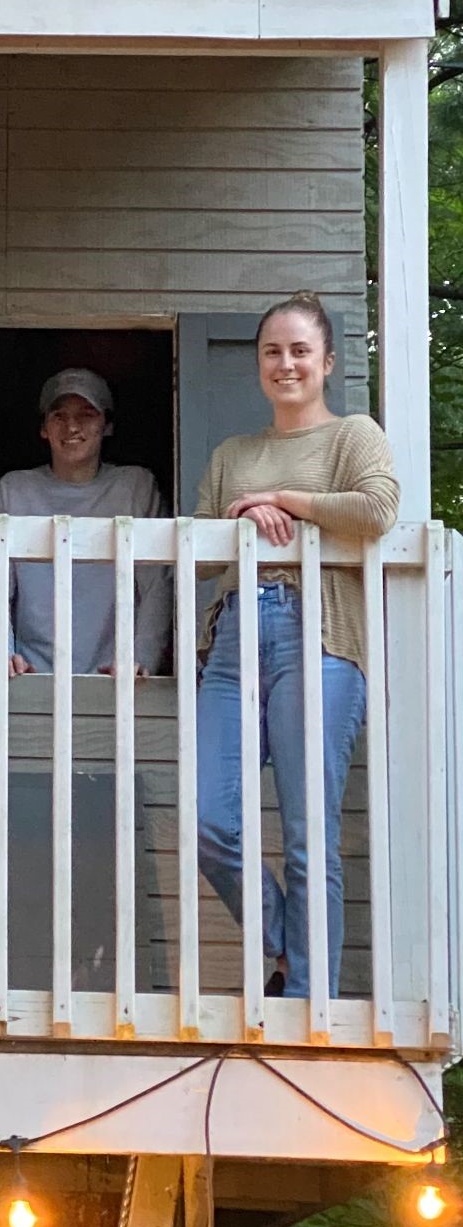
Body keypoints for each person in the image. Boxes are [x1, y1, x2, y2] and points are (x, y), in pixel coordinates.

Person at [195, 292, 398, 1000]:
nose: (286, 364)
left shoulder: (352, 437)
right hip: (233, 640)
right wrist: (236, 516)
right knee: (210, 820)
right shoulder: (231, 454)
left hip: (316, 634)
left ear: (327, 363)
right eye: (273, 352)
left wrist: (284, 499)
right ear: (258, 364)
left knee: (309, 833)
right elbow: (196, 550)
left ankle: (309, 998)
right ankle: (288, 947)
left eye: (300, 351)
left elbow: (376, 509)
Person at [0, 369, 171, 677]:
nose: (72, 426)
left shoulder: (134, 486)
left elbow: (157, 582)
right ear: (44, 428)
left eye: (87, 415)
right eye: (59, 416)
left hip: (116, 675)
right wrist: (0, 656)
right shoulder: (14, 489)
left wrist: (140, 660)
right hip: (30, 675)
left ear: (107, 425)